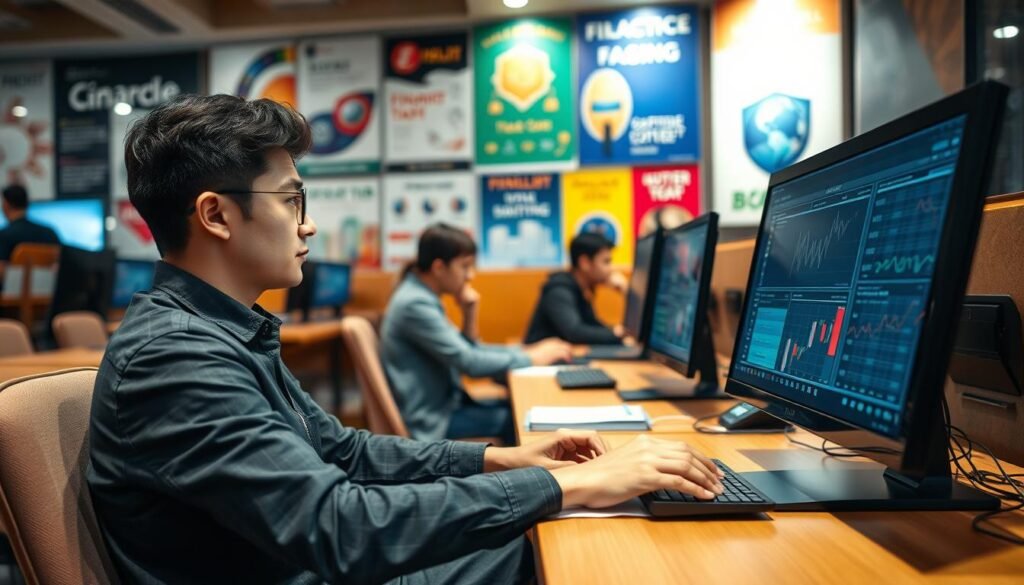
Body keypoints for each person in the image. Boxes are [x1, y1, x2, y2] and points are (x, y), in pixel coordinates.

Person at [88, 94, 724, 585]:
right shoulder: (174, 357)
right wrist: (571, 484)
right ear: (216, 214)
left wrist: (507, 459)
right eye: (290, 200)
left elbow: (347, 453)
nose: (307, 225)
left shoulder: (224, 329)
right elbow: (339, 528)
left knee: (574, 532)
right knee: (583, 545)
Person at [380, 224, 571, 444]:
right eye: (465, 266)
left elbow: (468, 350)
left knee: (520, 408)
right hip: (434, 421)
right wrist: (531, 358)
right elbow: (470, 363)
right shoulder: (415, 304)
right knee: (520, 420)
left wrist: (471, 315)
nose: (470, 276)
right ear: (439, 267)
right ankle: (520, 478)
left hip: (448, 407)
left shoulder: (420, 296)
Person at [524, 232, 630, 345]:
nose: (610, 269)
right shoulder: (559, 290)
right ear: (584, 263)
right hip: (543, 361)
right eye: (606, 262)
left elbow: (592, 325)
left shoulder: (582, 289)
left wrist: (626, 292)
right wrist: (615, 334)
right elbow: (575, 332)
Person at [0, 184, 60, 277]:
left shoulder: (3, 235)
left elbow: (2, 270)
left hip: (12, 290)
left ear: (6, 205)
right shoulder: (49, 233)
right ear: (27, 204)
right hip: (46, 290)